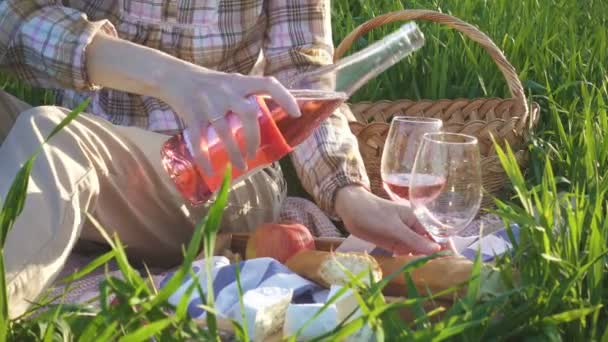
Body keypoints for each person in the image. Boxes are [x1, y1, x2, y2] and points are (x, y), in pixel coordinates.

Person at [0, 0, 441, 318]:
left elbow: (302, 85)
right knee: (52, 134)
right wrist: (172, 77)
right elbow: (12, 22)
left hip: (212, 172)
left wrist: (349, 194)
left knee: (51, 138)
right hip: (89, 141)